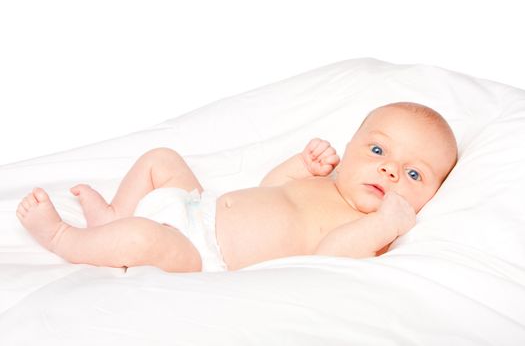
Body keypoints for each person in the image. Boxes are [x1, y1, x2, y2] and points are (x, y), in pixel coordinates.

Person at [16, 102, 458, 273]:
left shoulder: (366, 229)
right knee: (161, 160)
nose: (391, 172)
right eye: (378, 151)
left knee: (141, 238)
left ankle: (64, 238)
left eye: (414, 175)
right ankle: (114, 215)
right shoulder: (327, 184)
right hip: (195, 206)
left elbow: (329, 255)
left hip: (201, 253)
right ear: (351, 145)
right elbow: (271, 188)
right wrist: (300, 165)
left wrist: (386, 224)